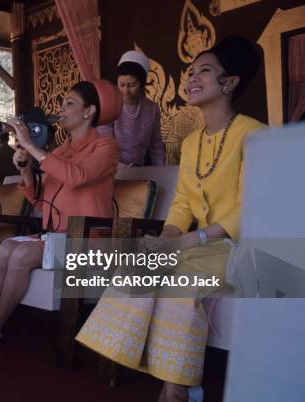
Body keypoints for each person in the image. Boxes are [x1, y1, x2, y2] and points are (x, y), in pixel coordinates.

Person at [77, 36, 265, 402]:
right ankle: (165, 375)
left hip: (241, 247)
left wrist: (185, 242)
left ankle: (175, 388)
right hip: (199, 244)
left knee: (181, 280)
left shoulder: (254, 135)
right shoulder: (192, 142)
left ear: (230, 82)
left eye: (204, 72)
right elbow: (181, 205)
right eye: (191, 72)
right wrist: (166, 238)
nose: (192, 79)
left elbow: (249, 209)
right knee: (141, 261)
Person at [0, 81, 120, 353]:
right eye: (62, 103)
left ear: (89, 111)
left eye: (69, 103)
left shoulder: (106, 147)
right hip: (57, 237)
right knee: (6, 249)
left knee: (20, 255)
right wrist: (26, 173)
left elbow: (76, 177)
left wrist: (31, 146)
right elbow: (43, 204)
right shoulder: (61, 151)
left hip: (88, 241)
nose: (62, 109)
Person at [98, 50, 165, 166]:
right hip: (112, 168)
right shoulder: (109, 105)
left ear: (142, 84)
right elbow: (105, 145)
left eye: (132, 85)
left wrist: (160, 171)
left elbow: (156, 146)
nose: (126, 91)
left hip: (139, 169)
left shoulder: (152, 109)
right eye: (121, 85)